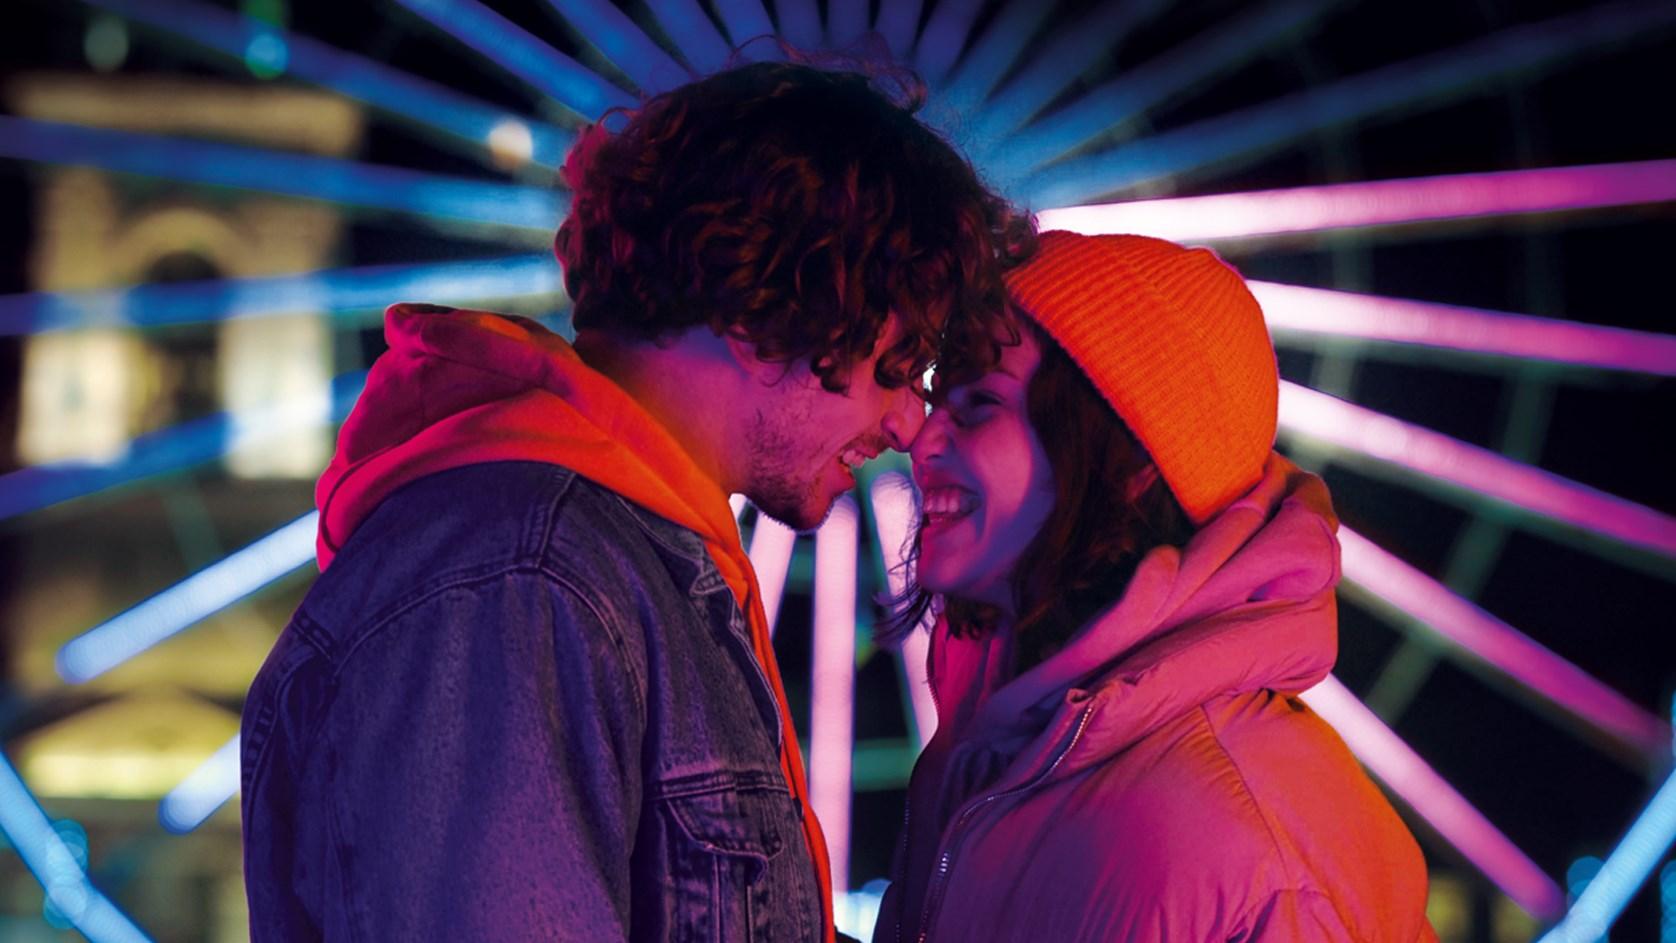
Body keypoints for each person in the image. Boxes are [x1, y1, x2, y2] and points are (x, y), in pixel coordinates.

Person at [240, 61, 1026, 942]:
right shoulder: (517, 582)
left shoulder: (618, 570)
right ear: (769, 309)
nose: (911, 419)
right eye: (899, 359)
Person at [873, 231, 1437, 942]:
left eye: (979, 401)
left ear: (1131, 462)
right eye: (938, 394)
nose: (920, 440)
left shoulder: (1240, 848)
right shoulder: (990, 760)